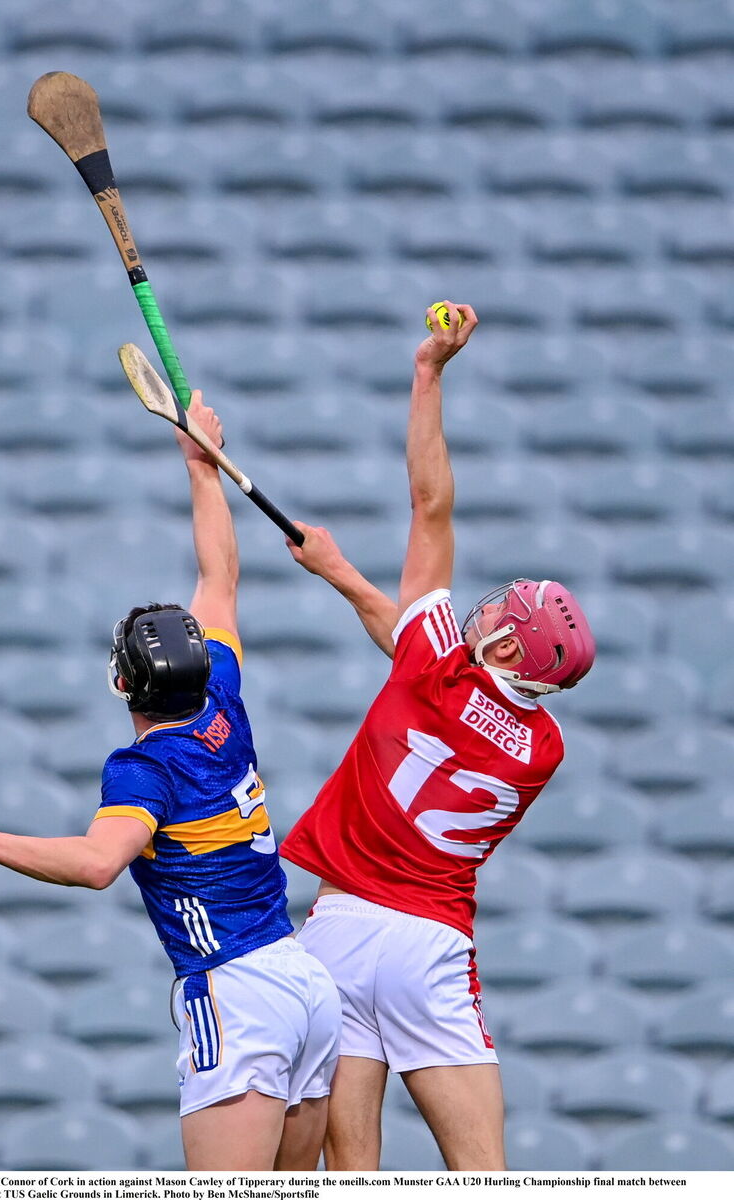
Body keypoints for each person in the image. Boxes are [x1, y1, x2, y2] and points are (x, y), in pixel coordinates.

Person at [0, 393, 340, 1171]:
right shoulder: (222, 694)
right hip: (306, 983)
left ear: (121, 686)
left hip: (235, 993)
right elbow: (220, 575)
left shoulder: (142, 768)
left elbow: (95, 864)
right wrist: (201, 468)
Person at [280, 302, 596, 1171]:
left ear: (498, 645)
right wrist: (340, 573)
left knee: (349, 1175)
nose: (487, 606)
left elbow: (429, 503)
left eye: (502, 612)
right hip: (432, 946)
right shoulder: (541, 748)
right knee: (482, 1173)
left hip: (340, 932)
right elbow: (416, 655)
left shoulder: (432, 658)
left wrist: (428, 373)